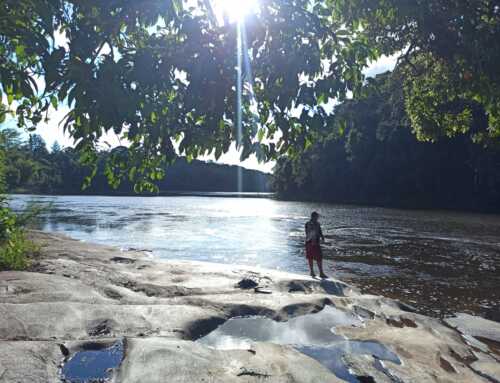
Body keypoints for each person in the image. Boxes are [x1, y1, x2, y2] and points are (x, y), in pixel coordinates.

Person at [305, 211, 327, 278]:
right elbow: (309, 232)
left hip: (313, 242)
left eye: (318, 217)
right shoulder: (309, 223)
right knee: (313, 257)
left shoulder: (317, 223)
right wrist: (313, 241)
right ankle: (316, 272)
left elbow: (319, 231)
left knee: (316, 257)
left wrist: (322, 237)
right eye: (317, 217)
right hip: (311, 242)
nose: (318, 218)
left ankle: (317, 272)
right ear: (313, 216)